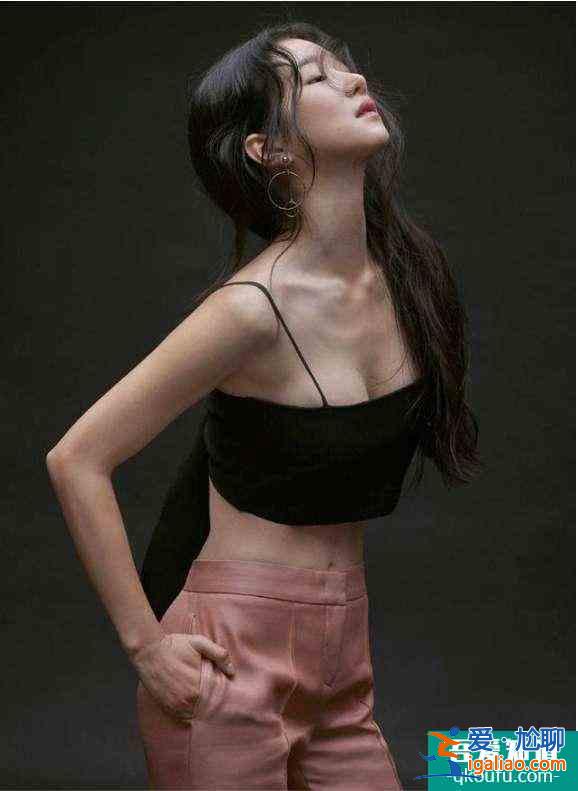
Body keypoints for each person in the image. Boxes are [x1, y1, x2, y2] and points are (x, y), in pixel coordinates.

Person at [46, 21, 481, 791]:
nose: (354, 80)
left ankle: (542, 762)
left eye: (345, 67)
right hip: (230, 658)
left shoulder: (412, 279)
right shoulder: (251, 309)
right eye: (315, 78)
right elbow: (76, 458)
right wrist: (148, 647)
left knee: (521, 765)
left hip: (345, 658)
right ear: (269, 148)